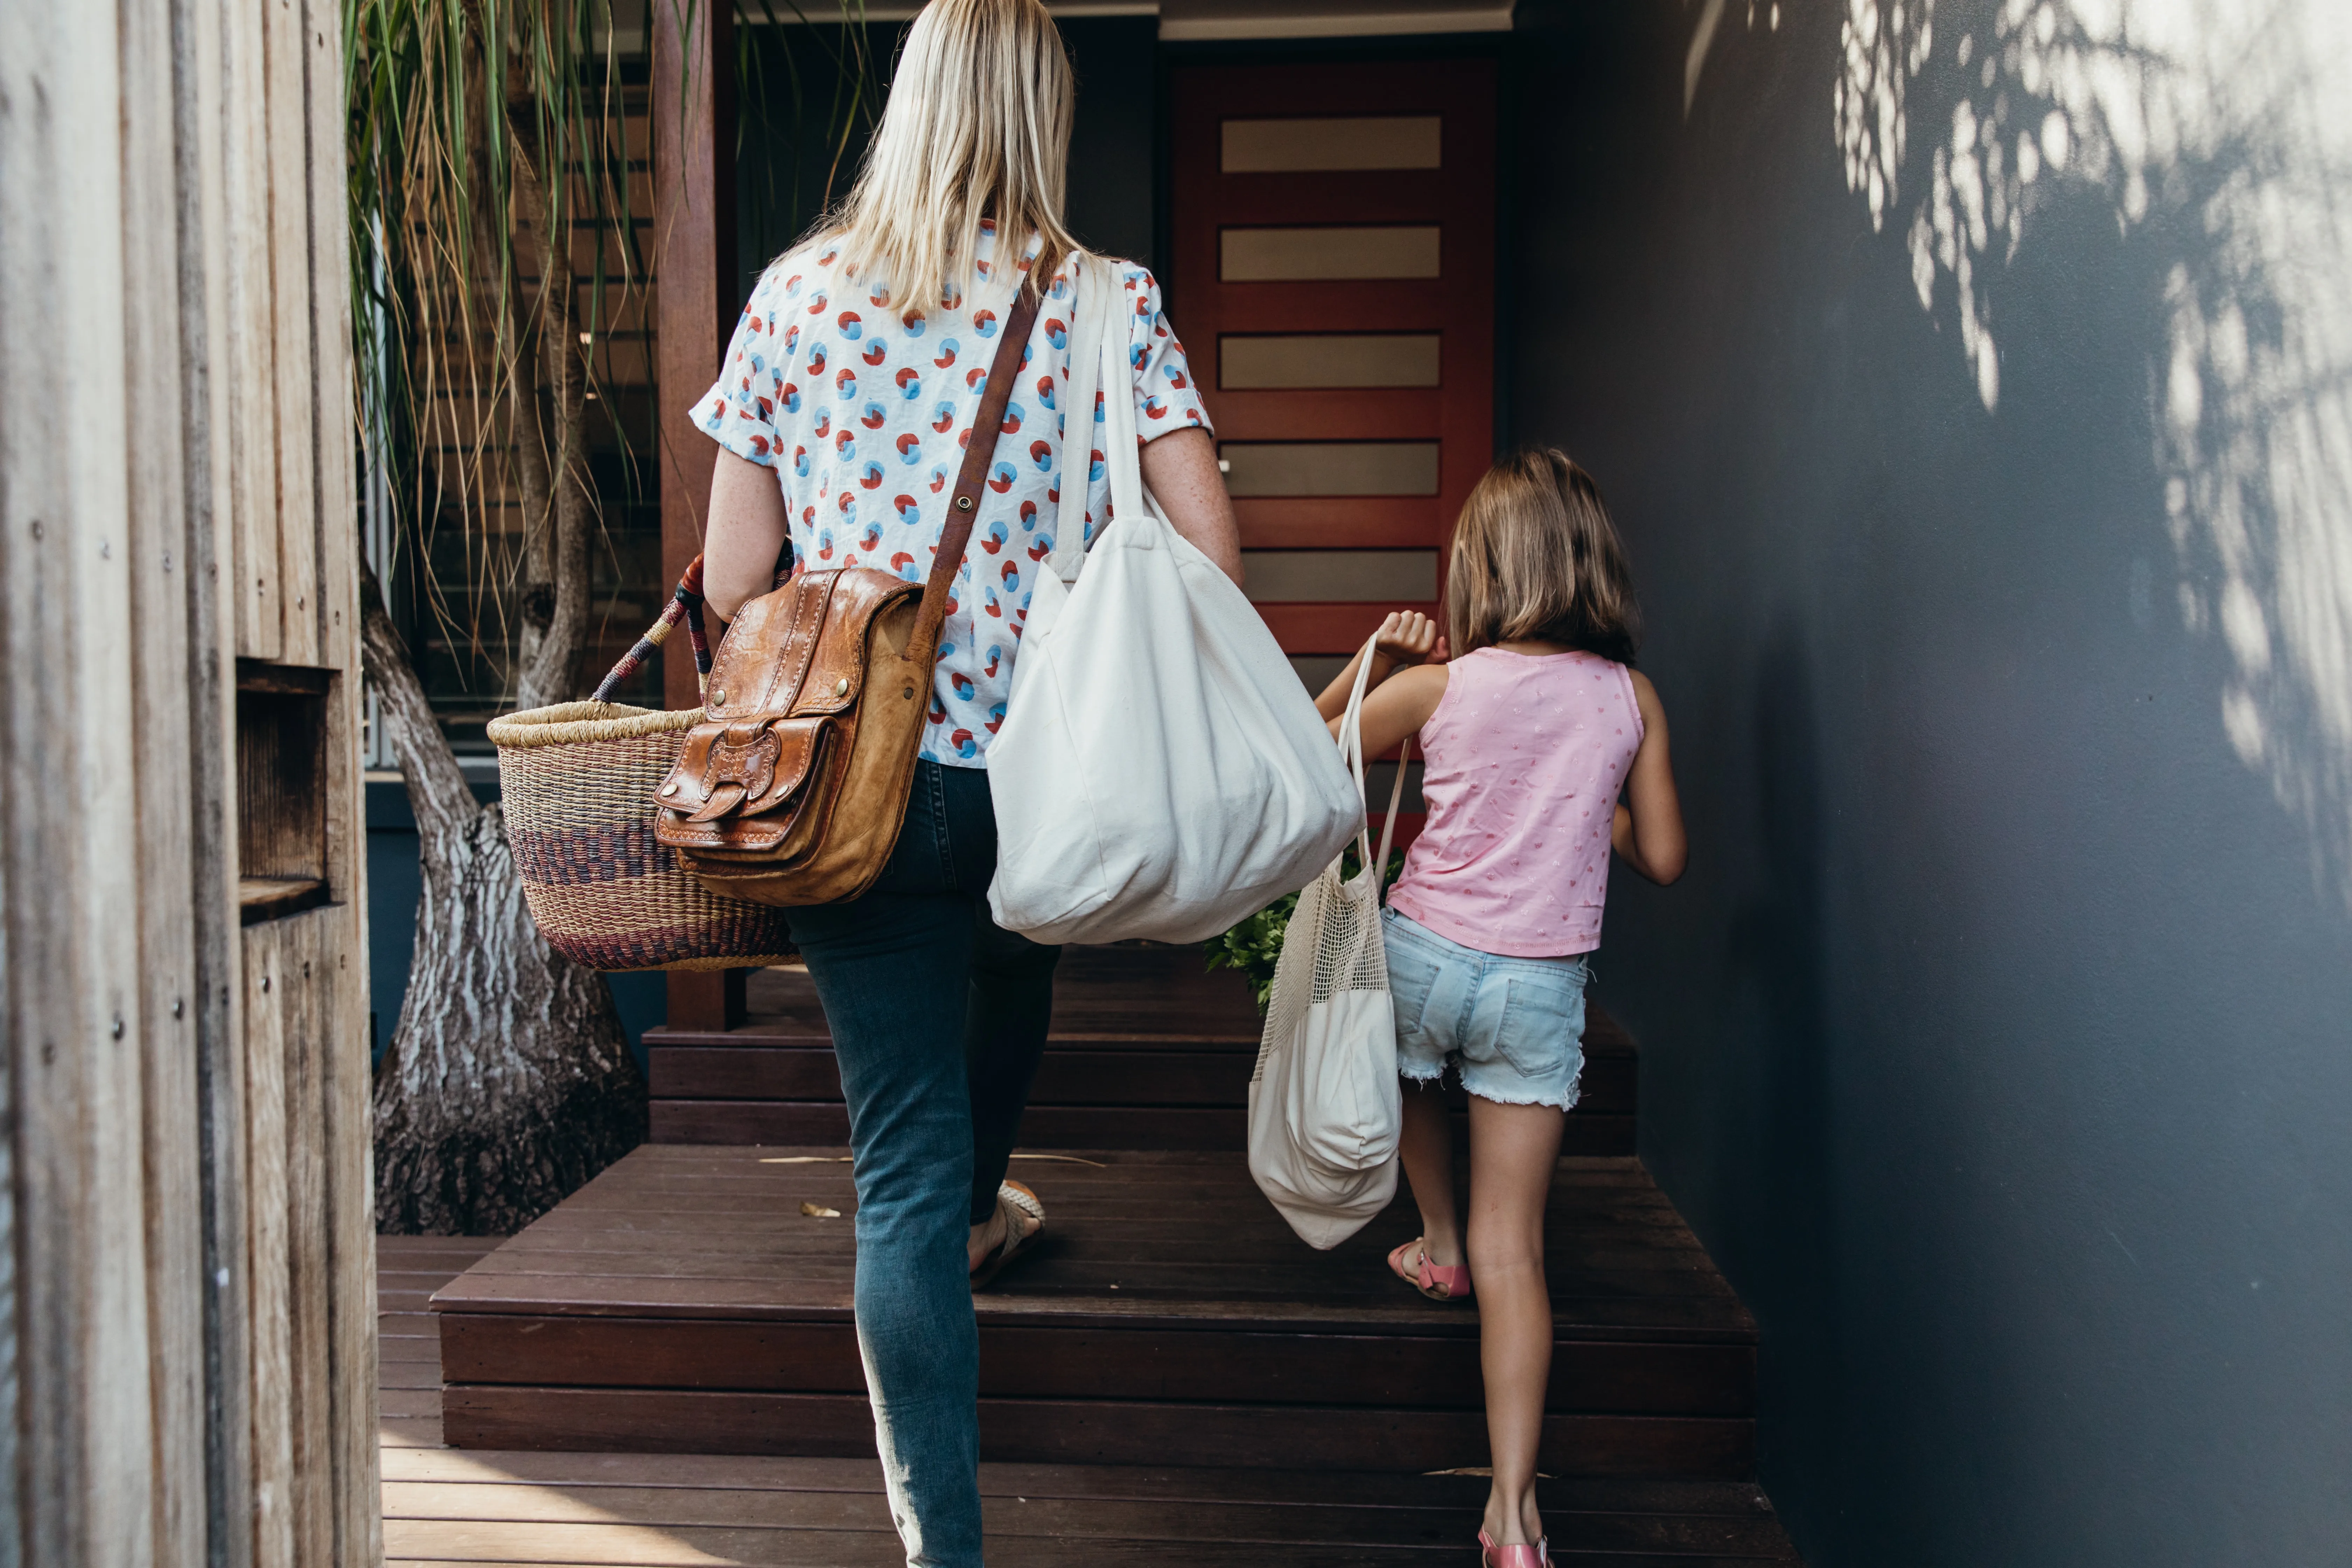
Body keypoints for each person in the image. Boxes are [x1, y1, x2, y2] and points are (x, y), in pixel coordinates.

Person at [688, 0, 1240, 1561]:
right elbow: (1211, 557)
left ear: (914, 102)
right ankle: (983, 1207)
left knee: (903, 1167)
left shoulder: (793, 298)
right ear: (1040, 115)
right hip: (1043, 777)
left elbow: (736, 576)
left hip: (851, 785)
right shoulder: (1108, 302)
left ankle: (947, 1537)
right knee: (1009, 1002)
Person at [1314, 449, 1687, 1568]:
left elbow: (1300, 755)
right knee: (1516, 1253)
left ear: (1481, 566)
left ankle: (1434, 1240)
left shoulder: (1443, 685)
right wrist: (1595, 805)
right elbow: (1663, 855)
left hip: (1425, 953)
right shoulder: (1631, 699)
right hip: (1542, 983)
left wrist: (1371, 657)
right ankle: (1514, 1519)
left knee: (1414, 1062)